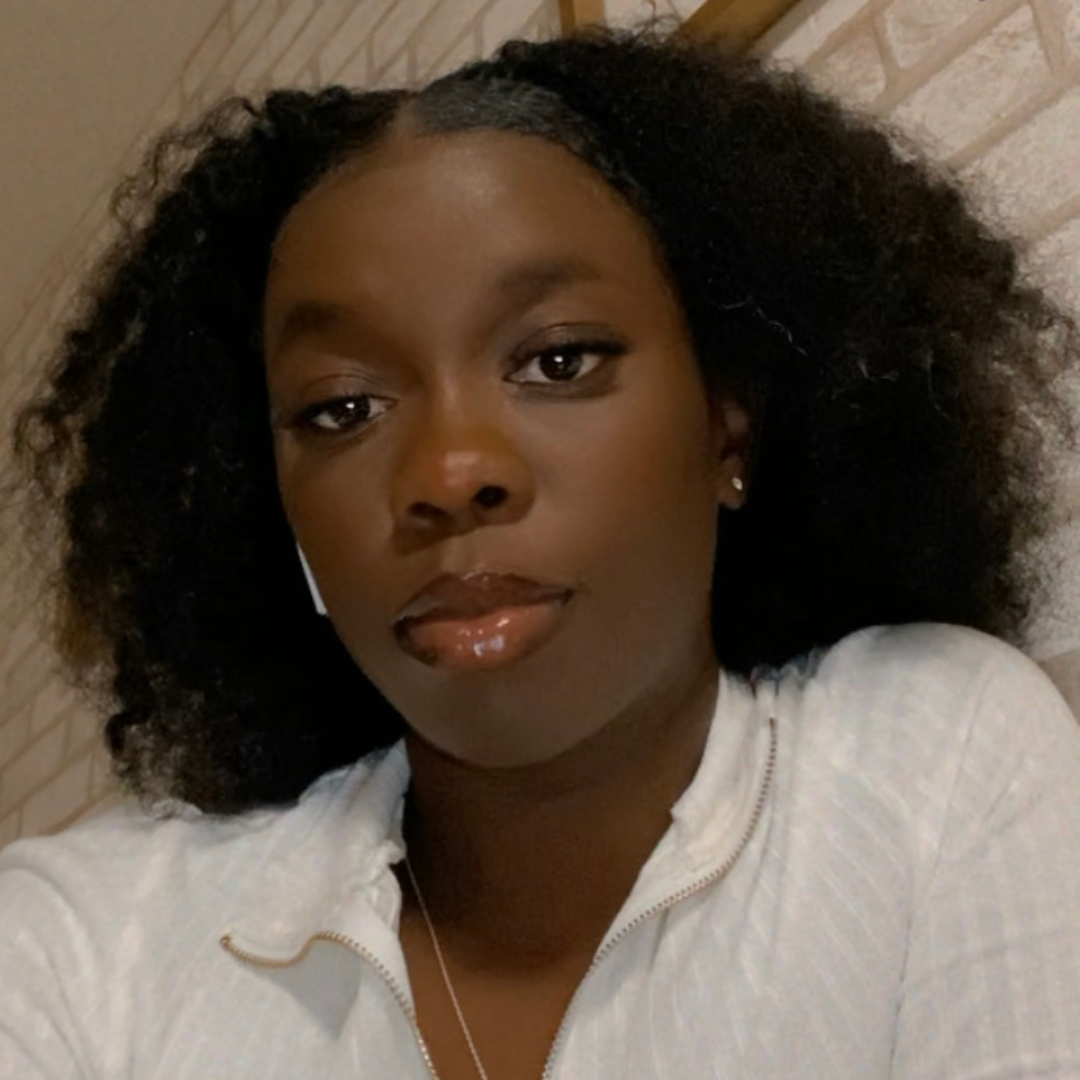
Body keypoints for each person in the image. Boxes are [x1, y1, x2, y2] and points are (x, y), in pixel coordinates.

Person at [2, 17, 1079, 1080]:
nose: (447, 471)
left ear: (726, 429)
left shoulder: (932, 759)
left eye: (560, 361)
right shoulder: (81, 958)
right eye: (342, 409)